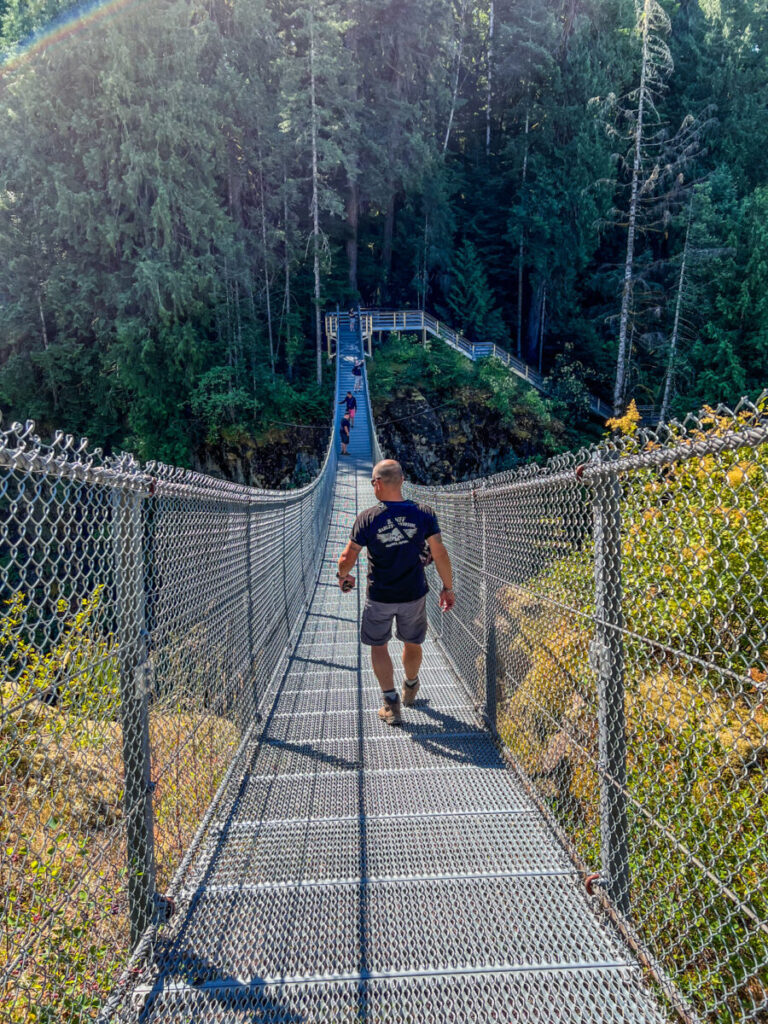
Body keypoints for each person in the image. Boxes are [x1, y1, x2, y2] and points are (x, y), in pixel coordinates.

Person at [336, 459, 455, 725]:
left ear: (377, 484)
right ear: (402, 481)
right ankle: (410, 686)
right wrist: (447, 587)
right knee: (412, 641)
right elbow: (440, 553)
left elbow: (347, 557)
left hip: (379, 596)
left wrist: (343, 576)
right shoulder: (424, 513)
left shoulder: (367, 518)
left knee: (379, 645)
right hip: (414, 593)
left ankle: (391, 704)